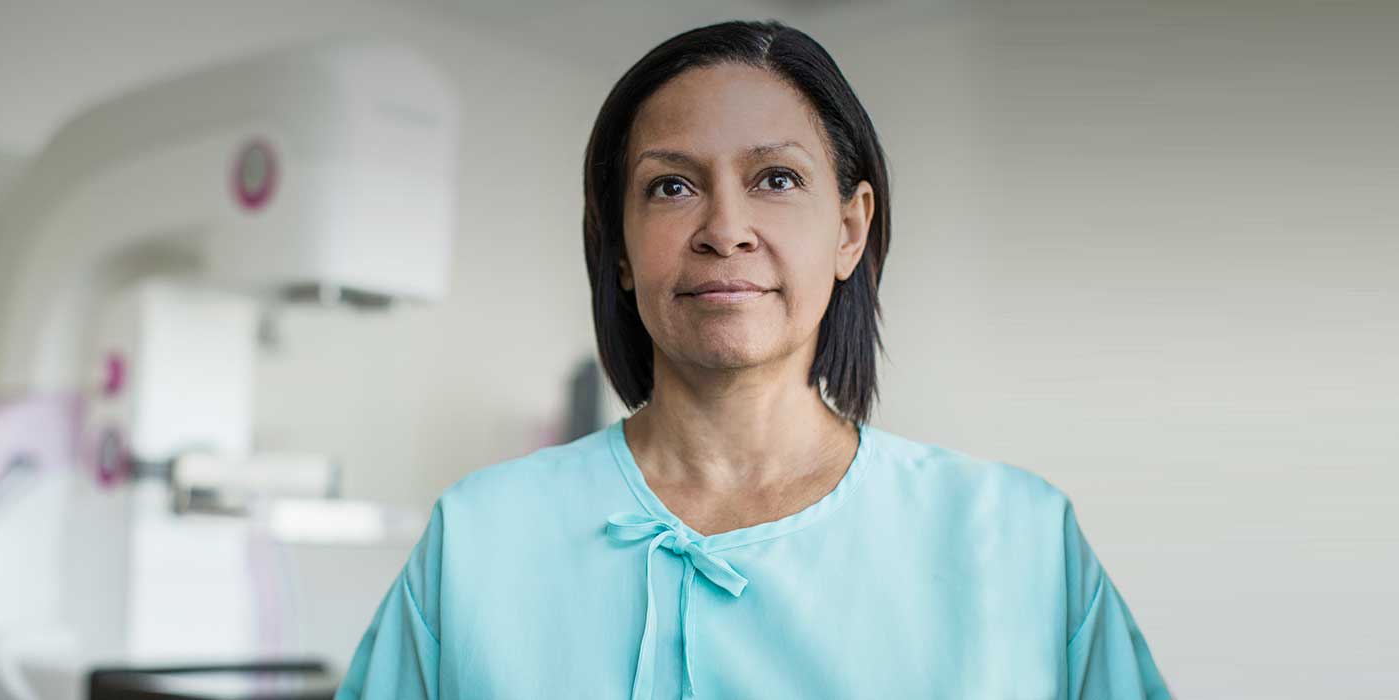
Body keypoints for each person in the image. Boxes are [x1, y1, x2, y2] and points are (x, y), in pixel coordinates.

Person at [337, 19, 1169, 699]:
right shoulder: (479, 535)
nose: (724, 228)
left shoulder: (1018, 537)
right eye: (671, 186)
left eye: (775, 178)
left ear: (850, 229)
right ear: (619, 248)